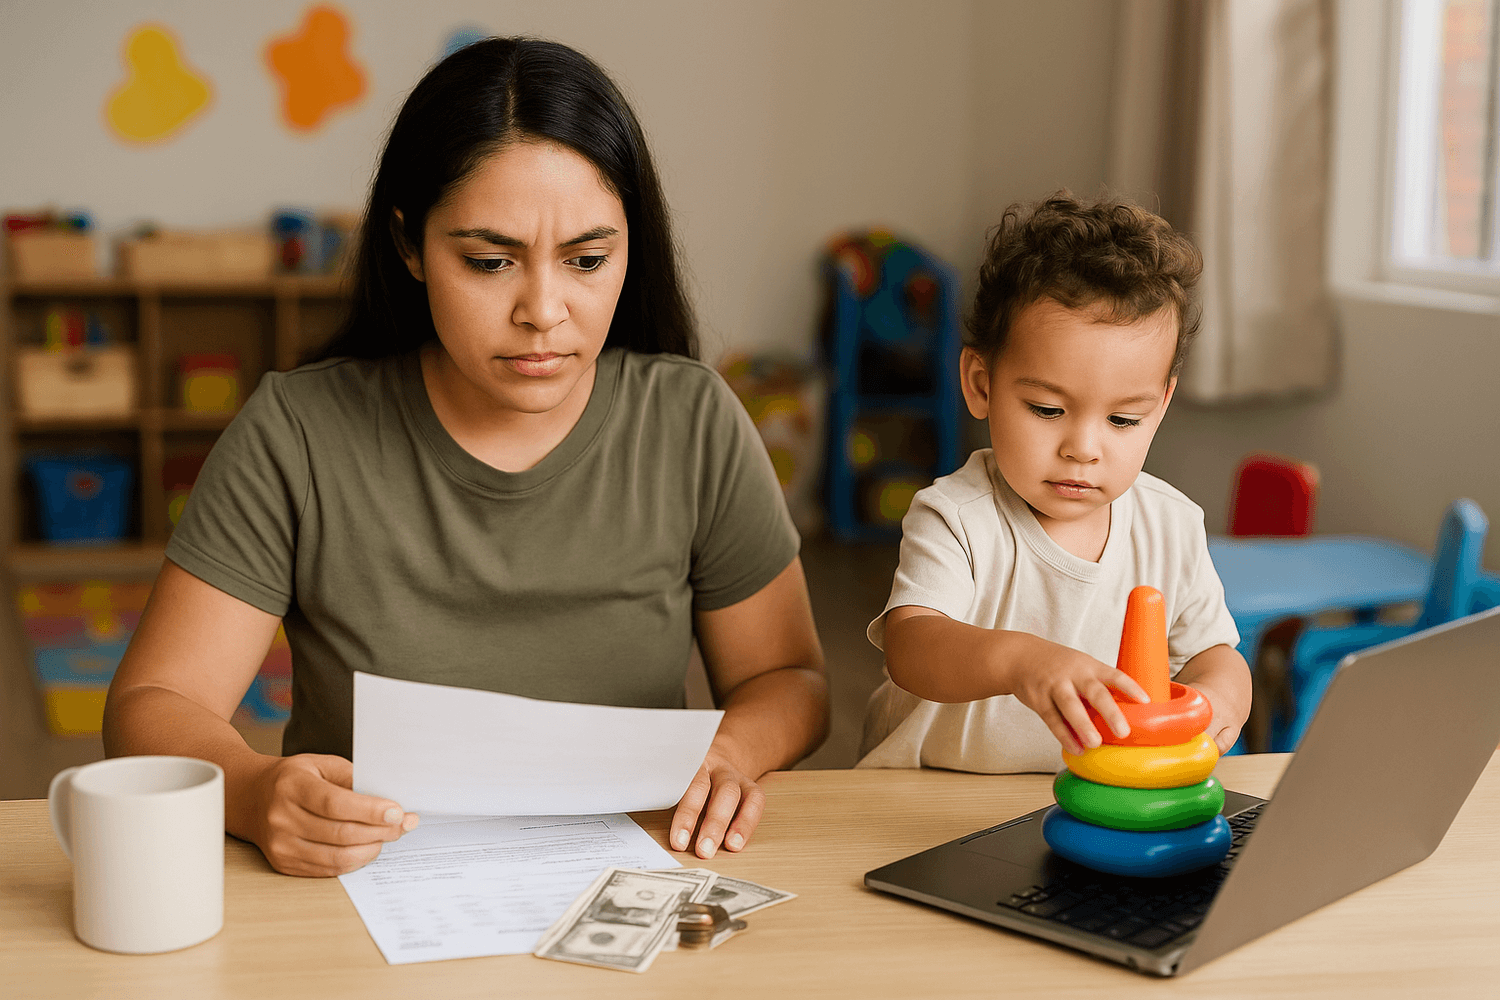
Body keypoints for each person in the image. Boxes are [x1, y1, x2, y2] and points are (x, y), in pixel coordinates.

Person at [103, 37, 828, 877]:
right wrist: (251, 790)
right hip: (365, 888)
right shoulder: (297, 434)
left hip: (630, 876)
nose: (544, 311)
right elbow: (154, 706)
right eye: (490, 262)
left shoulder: (693, 419)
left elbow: (792, 678)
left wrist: (733, 750)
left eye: (589, 261)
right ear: (410, 246)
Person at [857, 192, 1250, 773]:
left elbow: (1216, 652)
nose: (1083, 449)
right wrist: (1021, 660)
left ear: (1161, 406)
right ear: (981, 383)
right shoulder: (957, 516)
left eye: (1122, 420)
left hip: (1087, 806)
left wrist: (1218, 700)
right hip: (929, 800)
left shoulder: (1172, 524)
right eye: (1046, 409)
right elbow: (912, 648)